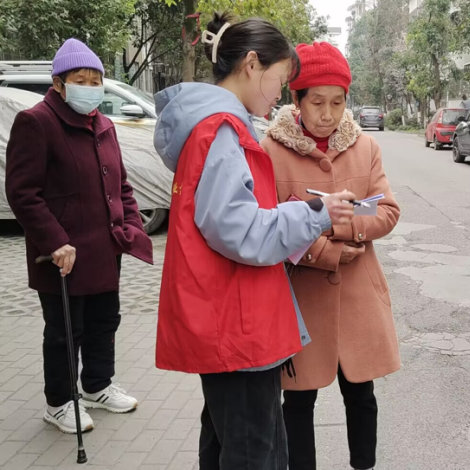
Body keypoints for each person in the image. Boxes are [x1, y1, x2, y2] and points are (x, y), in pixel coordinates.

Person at [152, 13, 357, 470]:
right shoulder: (221, 130)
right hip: (238, 325)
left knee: (229, 442)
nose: (280, 93)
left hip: (231, 320)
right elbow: (241, 231)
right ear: (250, 64)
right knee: (251, 451)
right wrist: (315, 214)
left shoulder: (215, 128)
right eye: (280, 79)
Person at [261, 42, 401, 470]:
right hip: (302, 303)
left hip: (358, 296)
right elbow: (268, 224)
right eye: (317, 102)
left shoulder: (365, 147)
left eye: (337, 102)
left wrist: (338, 226)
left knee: (361, 394)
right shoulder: (270, 150)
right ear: (295, 100)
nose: (327, 113)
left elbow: (388, 211)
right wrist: (324, 250)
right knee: (298, 402)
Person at [5, 38, 153, 434]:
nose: (89, 86)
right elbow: (22, 192)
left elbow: (120, 184)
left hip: (105, 248)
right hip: (63, 254)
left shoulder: (102, 123)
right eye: (80, 79)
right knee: (65, 332)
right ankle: (59, 402)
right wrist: (54, 241)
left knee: (106, 320)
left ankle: (97, 386)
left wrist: (132, 225)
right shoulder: (36, 122)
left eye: (95, 79)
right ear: (58, 83)